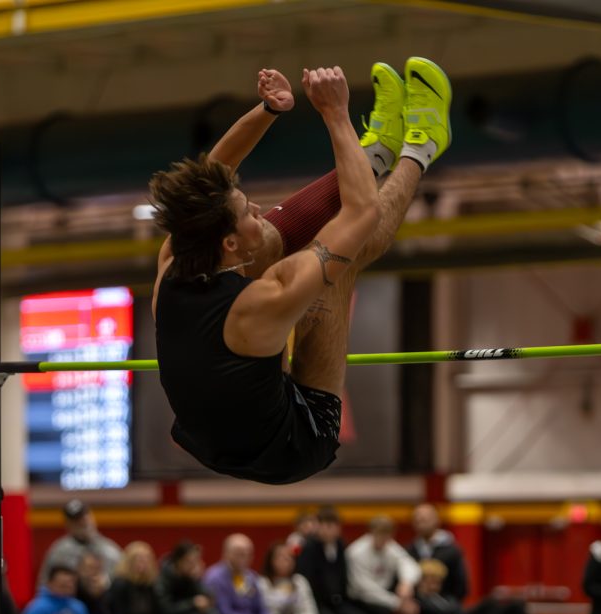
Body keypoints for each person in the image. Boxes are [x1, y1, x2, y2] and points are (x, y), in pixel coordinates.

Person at [150, 58, 452, 485]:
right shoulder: (264, 299)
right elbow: (360, 214)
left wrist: (268, 110)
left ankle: (376, 152)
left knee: (268, 238)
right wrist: (336, 116)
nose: (255, 207)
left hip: (216, 431)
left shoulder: (174, 261)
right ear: (227, 244)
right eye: (244, 211)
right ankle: (421, 145)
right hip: (292, 442)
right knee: (339, 264)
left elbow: (211, 175)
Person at [204, 534, 308, 614]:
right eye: (240, 554)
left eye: (248, 554)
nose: (245, 559)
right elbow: (225, 613)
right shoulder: (215, 578)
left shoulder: (250, 577)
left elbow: (262, 608)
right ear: (227, 554)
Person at [296, 506, 374, 614]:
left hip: (338, 601)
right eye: (325, 525)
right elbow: (305, 581)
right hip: (318, 604)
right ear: (318, 526)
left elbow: (344, 576)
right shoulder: (309, 548)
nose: (328, 530)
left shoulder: (340, 545)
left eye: (332, 525)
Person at [346, 515, 422, 614]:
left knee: (416, 601)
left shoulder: (390, 546)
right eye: (380, 535)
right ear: (371, 533)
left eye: (388, 536)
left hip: (387, 595)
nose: (384, 540)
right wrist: (397, 603)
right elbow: (365, 589)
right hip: (361, 599)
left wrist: (406, 583)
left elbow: (407, 563)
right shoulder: (356, 552)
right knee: (382, 613)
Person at [259, 542, 333, 614]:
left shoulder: (300, 582)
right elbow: (262, 613)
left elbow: (309, 610)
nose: (286, 561)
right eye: (280, 557)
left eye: (289, 557)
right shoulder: (262, 583)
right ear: (271, 560)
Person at [157, 541, 225, 614]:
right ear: (178, 561)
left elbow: (209, 596)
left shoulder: (189, 576)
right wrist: (192, 603)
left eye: (195, 562)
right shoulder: (164, 578)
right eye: (190, 562)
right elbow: (166, 610)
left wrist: (197, 579)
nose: (193, 566)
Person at [38, 500, 123, 586]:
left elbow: (122, 582)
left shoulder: (110, 549)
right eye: (76, 520)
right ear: (68, 524)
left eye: (84, 518)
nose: (81, 523)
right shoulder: (59, 553)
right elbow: (44, 584)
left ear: (91, 518)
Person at [408, 504, 469, 603]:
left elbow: (461, 585)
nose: (420, 524)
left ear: (436, 520)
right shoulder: (408, 551)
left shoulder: (452, 551)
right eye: (417, 521)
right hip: (417, 609)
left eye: (424, 520)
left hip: (445, 605)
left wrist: (449, 603)